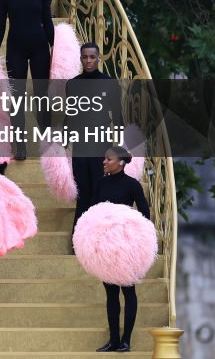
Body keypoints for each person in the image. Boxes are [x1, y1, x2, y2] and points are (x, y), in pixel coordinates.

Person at [0, 0, 55, 159]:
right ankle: (19, 146)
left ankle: (47, 144)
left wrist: (54, 46)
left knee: (41, 96)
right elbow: (1, 25)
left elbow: (47, 22)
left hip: (39, 49)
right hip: (16, 49)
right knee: (16, 98)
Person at [92, 145, 150, 353]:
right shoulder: (100, 183)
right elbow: (92, 211)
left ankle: (126, 340)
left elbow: (145, 214)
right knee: (110, 293)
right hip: (106, 245)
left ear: (121, 162)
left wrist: (134, 236)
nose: (104, 162)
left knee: (128, 291)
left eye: (108, 159)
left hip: (126, 246)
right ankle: (113, 340)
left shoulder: (132, 185)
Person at [66, 42, 125, 232]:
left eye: (92, 57)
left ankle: (99, 237)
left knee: (100, 191)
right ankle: (79, 240)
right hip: (81, 146)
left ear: (99, 58)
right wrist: (64, 141)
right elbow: (70, 115)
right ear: (81, 58)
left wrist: (121, 145)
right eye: (85, 57)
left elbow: (117, 115)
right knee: (83, 194)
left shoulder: (109, 83)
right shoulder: (73, 84)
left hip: (101, 145)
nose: (89, 60)